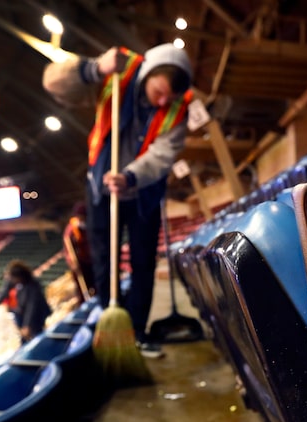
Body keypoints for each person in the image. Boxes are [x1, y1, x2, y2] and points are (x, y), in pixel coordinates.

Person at [43, 43, 194, 358]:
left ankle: (137, 331)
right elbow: (52, 82)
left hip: (143, 193)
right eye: (159, 91)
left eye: (169, 97)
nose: (163, 101)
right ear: (148, 75)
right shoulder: (119, 71)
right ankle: (111, 322)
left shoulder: (179, 108)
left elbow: (163, 155)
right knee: (104, 259)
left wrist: (131, 176)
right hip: (101, 189)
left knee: (143, 263)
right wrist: (94, 68)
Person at [4, 259, 52, 343]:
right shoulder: (21, 284)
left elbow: (31, 307)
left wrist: (27, 325)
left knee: (37, 337)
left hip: (37, 316)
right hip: (27, 315)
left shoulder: (32, 286)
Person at [63, 201, 95, 304]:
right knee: (82, 290)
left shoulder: (91, 225)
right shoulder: (71, 230)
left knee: (96, 285)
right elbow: (68, 249)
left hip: (92, 261)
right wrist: (72, 263)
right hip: (80, 263)